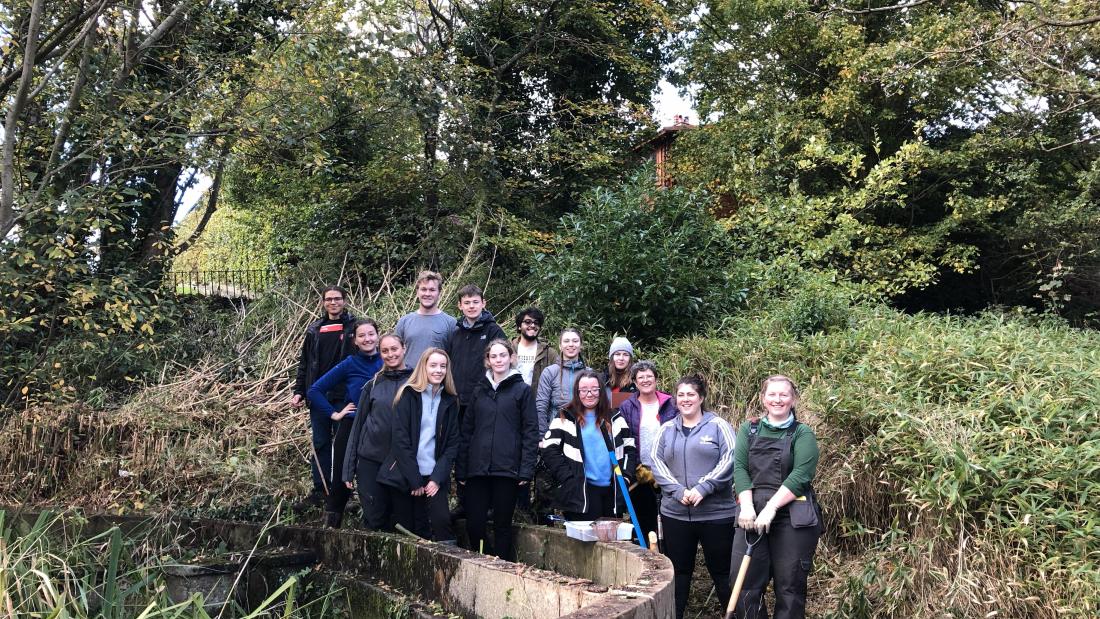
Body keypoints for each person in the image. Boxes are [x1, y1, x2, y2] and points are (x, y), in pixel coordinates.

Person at [730, 375, 821, 619]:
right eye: (772, 394)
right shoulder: (748, 429)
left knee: (789, 587)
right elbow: (740, 468)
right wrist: (747, 507)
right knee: (745, 585)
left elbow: (802, 475)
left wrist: (771, 508)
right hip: (751, 514)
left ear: (793, 399)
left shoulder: (802, 434)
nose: (777, 399)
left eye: (784, 395)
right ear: (763, 398)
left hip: (792, 517)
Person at [651, 375, 737, 619]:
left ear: (701, 398)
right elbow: (656, 462)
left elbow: (730, 458)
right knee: (678, 572)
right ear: (675, 399)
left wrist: (704, 487)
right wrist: (678, 491)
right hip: (676, 514)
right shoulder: (667, 429)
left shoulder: (719, 426)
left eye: (691, 394)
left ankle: (732, 613)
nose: (685, 399)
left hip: (716, 514)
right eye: (681, 395)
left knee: (722, 572)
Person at [456, 339, 539, 561]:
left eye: (503, 355)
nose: (498, 360)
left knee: (502, 525)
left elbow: (530, 432)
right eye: (494, 356)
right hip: (477, 470)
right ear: (488, 361)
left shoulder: (522, 390)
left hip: (507, 469)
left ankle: (503, 566)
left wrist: (526, 470)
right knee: (475, 524)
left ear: (511, 357)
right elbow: (467, 432)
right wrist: (461, 470)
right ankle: (484, 559)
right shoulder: (479, 391)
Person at [306, 318, 383, 527]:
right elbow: (314, 390)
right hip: (351, 425)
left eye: (371, 334)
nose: (367, 339)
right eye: (362, 336)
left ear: (378, 336)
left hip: (380, 429)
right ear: (354, 341)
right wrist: (334, 414)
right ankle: (331, 527)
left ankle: (378, 525)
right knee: (341, 478)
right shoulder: (349, 364)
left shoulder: (387, 361)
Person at [378, 348, 460, 542]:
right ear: (424, 367)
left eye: (443, 366)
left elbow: (452, 444)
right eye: (433, 365)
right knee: (412, 529)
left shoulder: (450, 400)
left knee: (441, 523)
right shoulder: (408, 395)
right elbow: (400, 440)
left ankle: (448, 569)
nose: (438, 370)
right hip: (407, 474)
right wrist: (414, 479)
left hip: (434, 475)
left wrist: (436, 478)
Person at [291, 285, 357, 507]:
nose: (333, 303)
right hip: (318, 397)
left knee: (342, 445)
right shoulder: (314, 330)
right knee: (320, 443)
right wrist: (299, 391)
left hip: (343, 396)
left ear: (345, 301)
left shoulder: (353, 329)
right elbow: (305, 363)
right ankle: (320, 489)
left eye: (337, 299)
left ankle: (342, 493)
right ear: (323, 303)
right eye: (329, 299)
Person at [540, 370, 636, 521]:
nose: (589, 394)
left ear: (601, 391)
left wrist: (626, 477)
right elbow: (548, 448)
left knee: (610, 541)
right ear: (577, 392)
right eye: (584, 390)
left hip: (611, 490)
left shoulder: (615, 417)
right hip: (582, 491)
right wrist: (568, 478)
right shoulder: (566, 416)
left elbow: (630, 448)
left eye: (594, 389)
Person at [342, 333, 413, 530]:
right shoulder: (372, 385)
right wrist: (348, 469)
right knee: (374, 519)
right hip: (371, 460)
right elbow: (357, 427)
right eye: (385, 351)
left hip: (402, 462)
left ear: (404, 348)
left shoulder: (417, 382)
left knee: (401, 522)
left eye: (394, 349)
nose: (390, 354)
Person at [616, 360, 677, 542]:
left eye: (649, 376)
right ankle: (648, 558)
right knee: (644, 520)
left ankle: (670, 557)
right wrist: (634, 468)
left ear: (656, 378)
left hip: (668, 471)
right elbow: (624, 438)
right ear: (634, 382)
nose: (645, 380)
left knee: (668, 520)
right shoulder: (627, 406)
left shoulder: (671, 404)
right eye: (640, 377)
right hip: (639, 472)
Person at [447, 284, 507, 414]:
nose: (471, 306)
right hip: (456, 400)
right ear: (460, 305)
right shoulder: (456, 333)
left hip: (484, 399)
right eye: (467, 303)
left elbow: (504, 363)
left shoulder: (494, 331)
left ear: (483, 303)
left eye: (475, 302)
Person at [535, 328, 590, 437]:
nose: (571, 344)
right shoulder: (550, 372)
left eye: (575, 341)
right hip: (556, 431)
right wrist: (543, 436)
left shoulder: (589, 373)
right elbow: (541, 407)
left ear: (581, 345)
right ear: (560, 346)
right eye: (566, 341)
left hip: (584, 431)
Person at [394, 270, 454, 368]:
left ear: (439, 293)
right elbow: (395, 354)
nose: (427, 293)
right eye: (423, 289)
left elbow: (454, 358)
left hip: (437, 381)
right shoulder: (404, 322)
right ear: (417, 292)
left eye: (432, 290)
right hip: (408, 381)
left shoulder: (450, 323)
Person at [511, 307, 559, 388]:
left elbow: (558, 381)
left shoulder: (550, 353)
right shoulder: (508, 349)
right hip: (512, 399)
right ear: (519, 326)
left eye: (536, 323)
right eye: (527, 322)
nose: (532, 325)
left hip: (539, 399)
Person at [602, 336, 638, 403]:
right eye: (617, 354)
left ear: (630, 358)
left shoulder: (637, 379)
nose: (621, 358)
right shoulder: (602, 379)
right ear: (612, 357)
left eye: (625, 355)